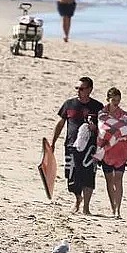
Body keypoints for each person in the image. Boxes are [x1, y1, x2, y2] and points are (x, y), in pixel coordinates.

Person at [51, 77, 103, 215]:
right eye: (77, 88)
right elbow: (60, 124)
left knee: (88, 176)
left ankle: (86, 206)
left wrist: (95, 129)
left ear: (90, 90)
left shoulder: (98, 107)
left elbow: (105, 129)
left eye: (81, 88)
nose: (78, 91)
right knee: (72, 176)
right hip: (71, 145)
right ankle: (77, 198)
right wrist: (53, 142)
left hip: (91, 148)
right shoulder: (69, 104)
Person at [94, 87, 127, 219]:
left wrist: (114, 131)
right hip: (106, 151)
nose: (116, 102)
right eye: (113, 100)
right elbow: (103, 129)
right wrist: (117, 130)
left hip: (121, 150)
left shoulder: (124, 114)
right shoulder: (102, 113)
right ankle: (113, 207)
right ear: (108, 99)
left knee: (119, 179)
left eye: (118, 100)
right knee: (109, 180)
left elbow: (126, 130)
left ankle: (118, 210)